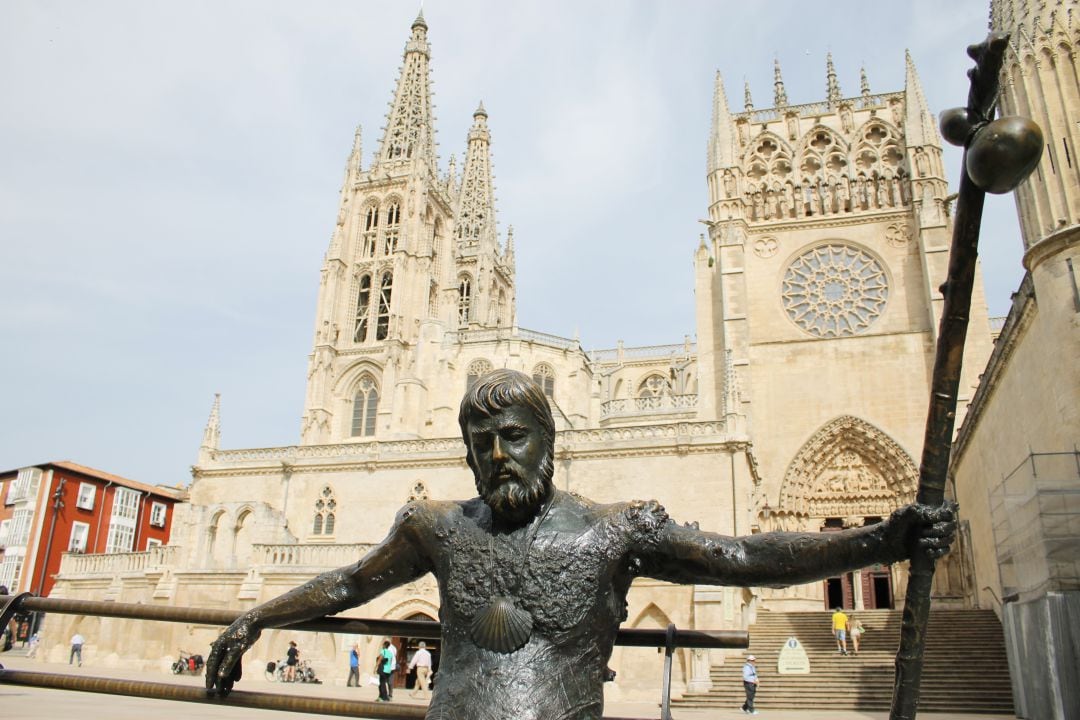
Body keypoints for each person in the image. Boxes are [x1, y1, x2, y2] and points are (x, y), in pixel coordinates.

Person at [205, 370, 955, 720]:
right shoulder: (434, 527)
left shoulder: (615, 528)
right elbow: (346, 584)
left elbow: (742, 556)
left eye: (514, 437)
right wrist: (255, 619)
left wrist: (878, 541)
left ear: (549, 441)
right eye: (482, 443)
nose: (498, 456)